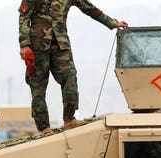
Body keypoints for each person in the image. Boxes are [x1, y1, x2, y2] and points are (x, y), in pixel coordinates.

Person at [18, 0, 128, 135]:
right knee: (38, 87)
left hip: (60, 45)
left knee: (70, 77)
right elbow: (24, 17)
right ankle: (43, 128)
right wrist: (24, 44)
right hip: (38, 46)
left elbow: (88, 8)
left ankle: (69, 120)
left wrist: (112, 23)